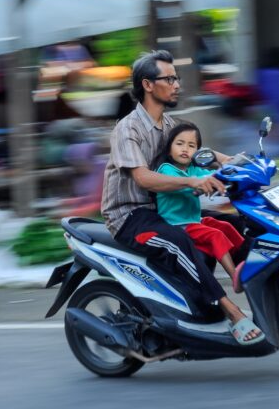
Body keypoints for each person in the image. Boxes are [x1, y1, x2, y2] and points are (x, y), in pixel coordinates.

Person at [101, 50, 264, 345]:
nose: (177, 84)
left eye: (176, 78)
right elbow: (142, 177)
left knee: (236, 223)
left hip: (165, 208)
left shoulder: (169, 125)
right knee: (181, 243)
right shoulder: (128, 129)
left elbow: (198, 153)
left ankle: (256, 286)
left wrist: (233, 161)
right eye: (170, 78)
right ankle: (233, 313)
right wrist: (191, 180)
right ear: (148, 85)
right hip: (131, 215)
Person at [151, 121, 246, 294]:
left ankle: (246, 261)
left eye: (191, 145)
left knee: (226, 226)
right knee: (215, 235)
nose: (185, 149)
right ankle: (235, 277)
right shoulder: (166, 170)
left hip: (195, 220)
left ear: (198, 151)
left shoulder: (193, 168)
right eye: (179, 144)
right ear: (169, 147)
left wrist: (231, 166)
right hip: (178, 225)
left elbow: (210, 176)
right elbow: (193, 184)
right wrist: (205, 181)